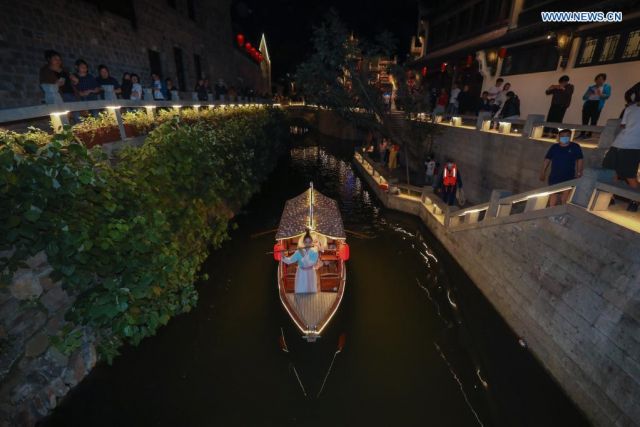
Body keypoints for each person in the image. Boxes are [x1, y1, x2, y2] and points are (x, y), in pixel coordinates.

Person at [606, 99, 640, 211]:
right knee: (611, 172)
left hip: (633, 147)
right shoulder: (630, 108)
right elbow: (623, 125)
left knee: (630, 175)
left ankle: (634, 201)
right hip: (618, 143)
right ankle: (610, 197)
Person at [539, 129, 584, 206]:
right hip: (555, 176)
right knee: (553, 194)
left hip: (568, 175)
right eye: (562, 136)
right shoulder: (554, 147)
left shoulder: (575, 147)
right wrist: (543, 172)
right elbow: (547, 160)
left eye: (567, 136)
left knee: (565, 196)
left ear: (570, 137)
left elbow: (580, 159)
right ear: (559, 137)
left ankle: (562, 211)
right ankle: (551, 210)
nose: (565, 137)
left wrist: (579, 172)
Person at [579, 73, 611, 139]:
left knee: (594, 120)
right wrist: (589, 94)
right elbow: (584, 97)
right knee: (585, 119)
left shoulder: (607, 86)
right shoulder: (591, 87)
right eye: (597, 79)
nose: (599, 81)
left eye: (601, 79)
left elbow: (607, 96)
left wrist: (600, 94)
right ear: (595, 80)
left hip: (597, 104)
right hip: (588, 103)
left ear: (604, 80)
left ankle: (589, 134)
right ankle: (582, 133)